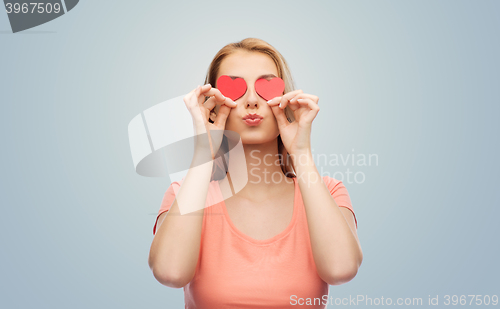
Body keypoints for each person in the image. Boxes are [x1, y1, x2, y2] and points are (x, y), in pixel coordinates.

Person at [148, 38, 363, 308]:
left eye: (265, 87)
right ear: (213, 104)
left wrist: (301, 153)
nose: (251, 101)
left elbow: (341, 269)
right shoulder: (186, 194)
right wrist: (204, 152)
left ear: (286, 100)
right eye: (235, 88)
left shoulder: (329, 192)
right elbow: (170, 272)